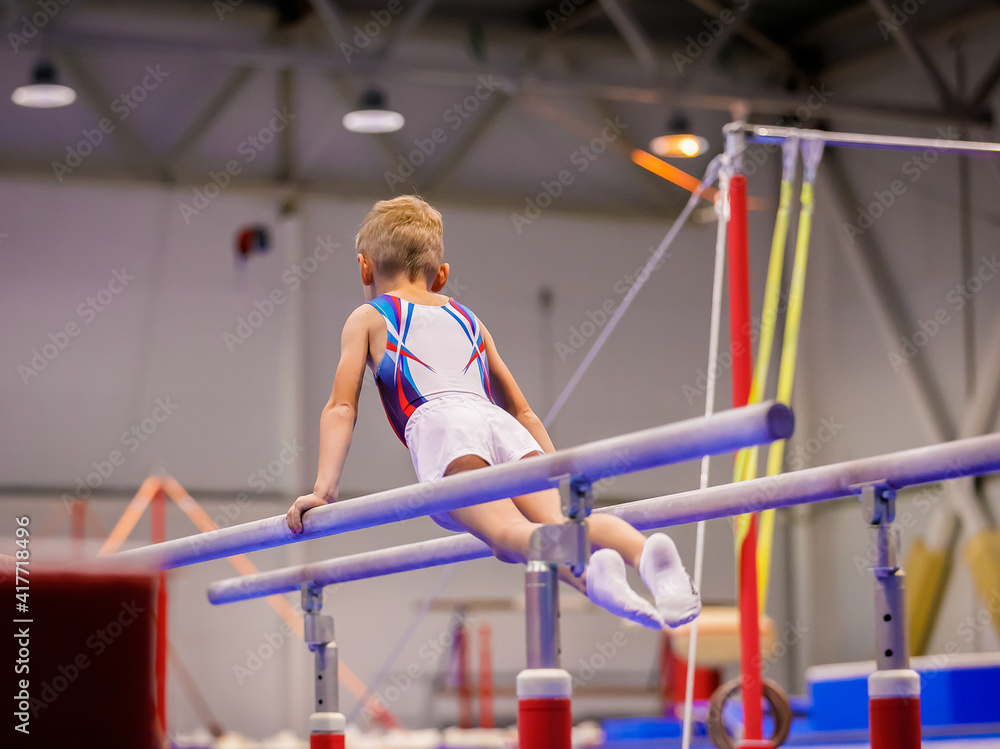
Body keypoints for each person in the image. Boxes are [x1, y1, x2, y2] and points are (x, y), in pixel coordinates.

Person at [286, 195, 700, 629]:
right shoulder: (469, 320)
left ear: (364, 267)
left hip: (444, 428)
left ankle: (596, 571)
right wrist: (557, 472)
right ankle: (639, 554)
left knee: (506, 536)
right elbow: (522, 412)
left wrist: (324, 491)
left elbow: (341, 405)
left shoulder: (369, 317)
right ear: (441, 276)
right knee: (560, 523)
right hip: (501, 426)